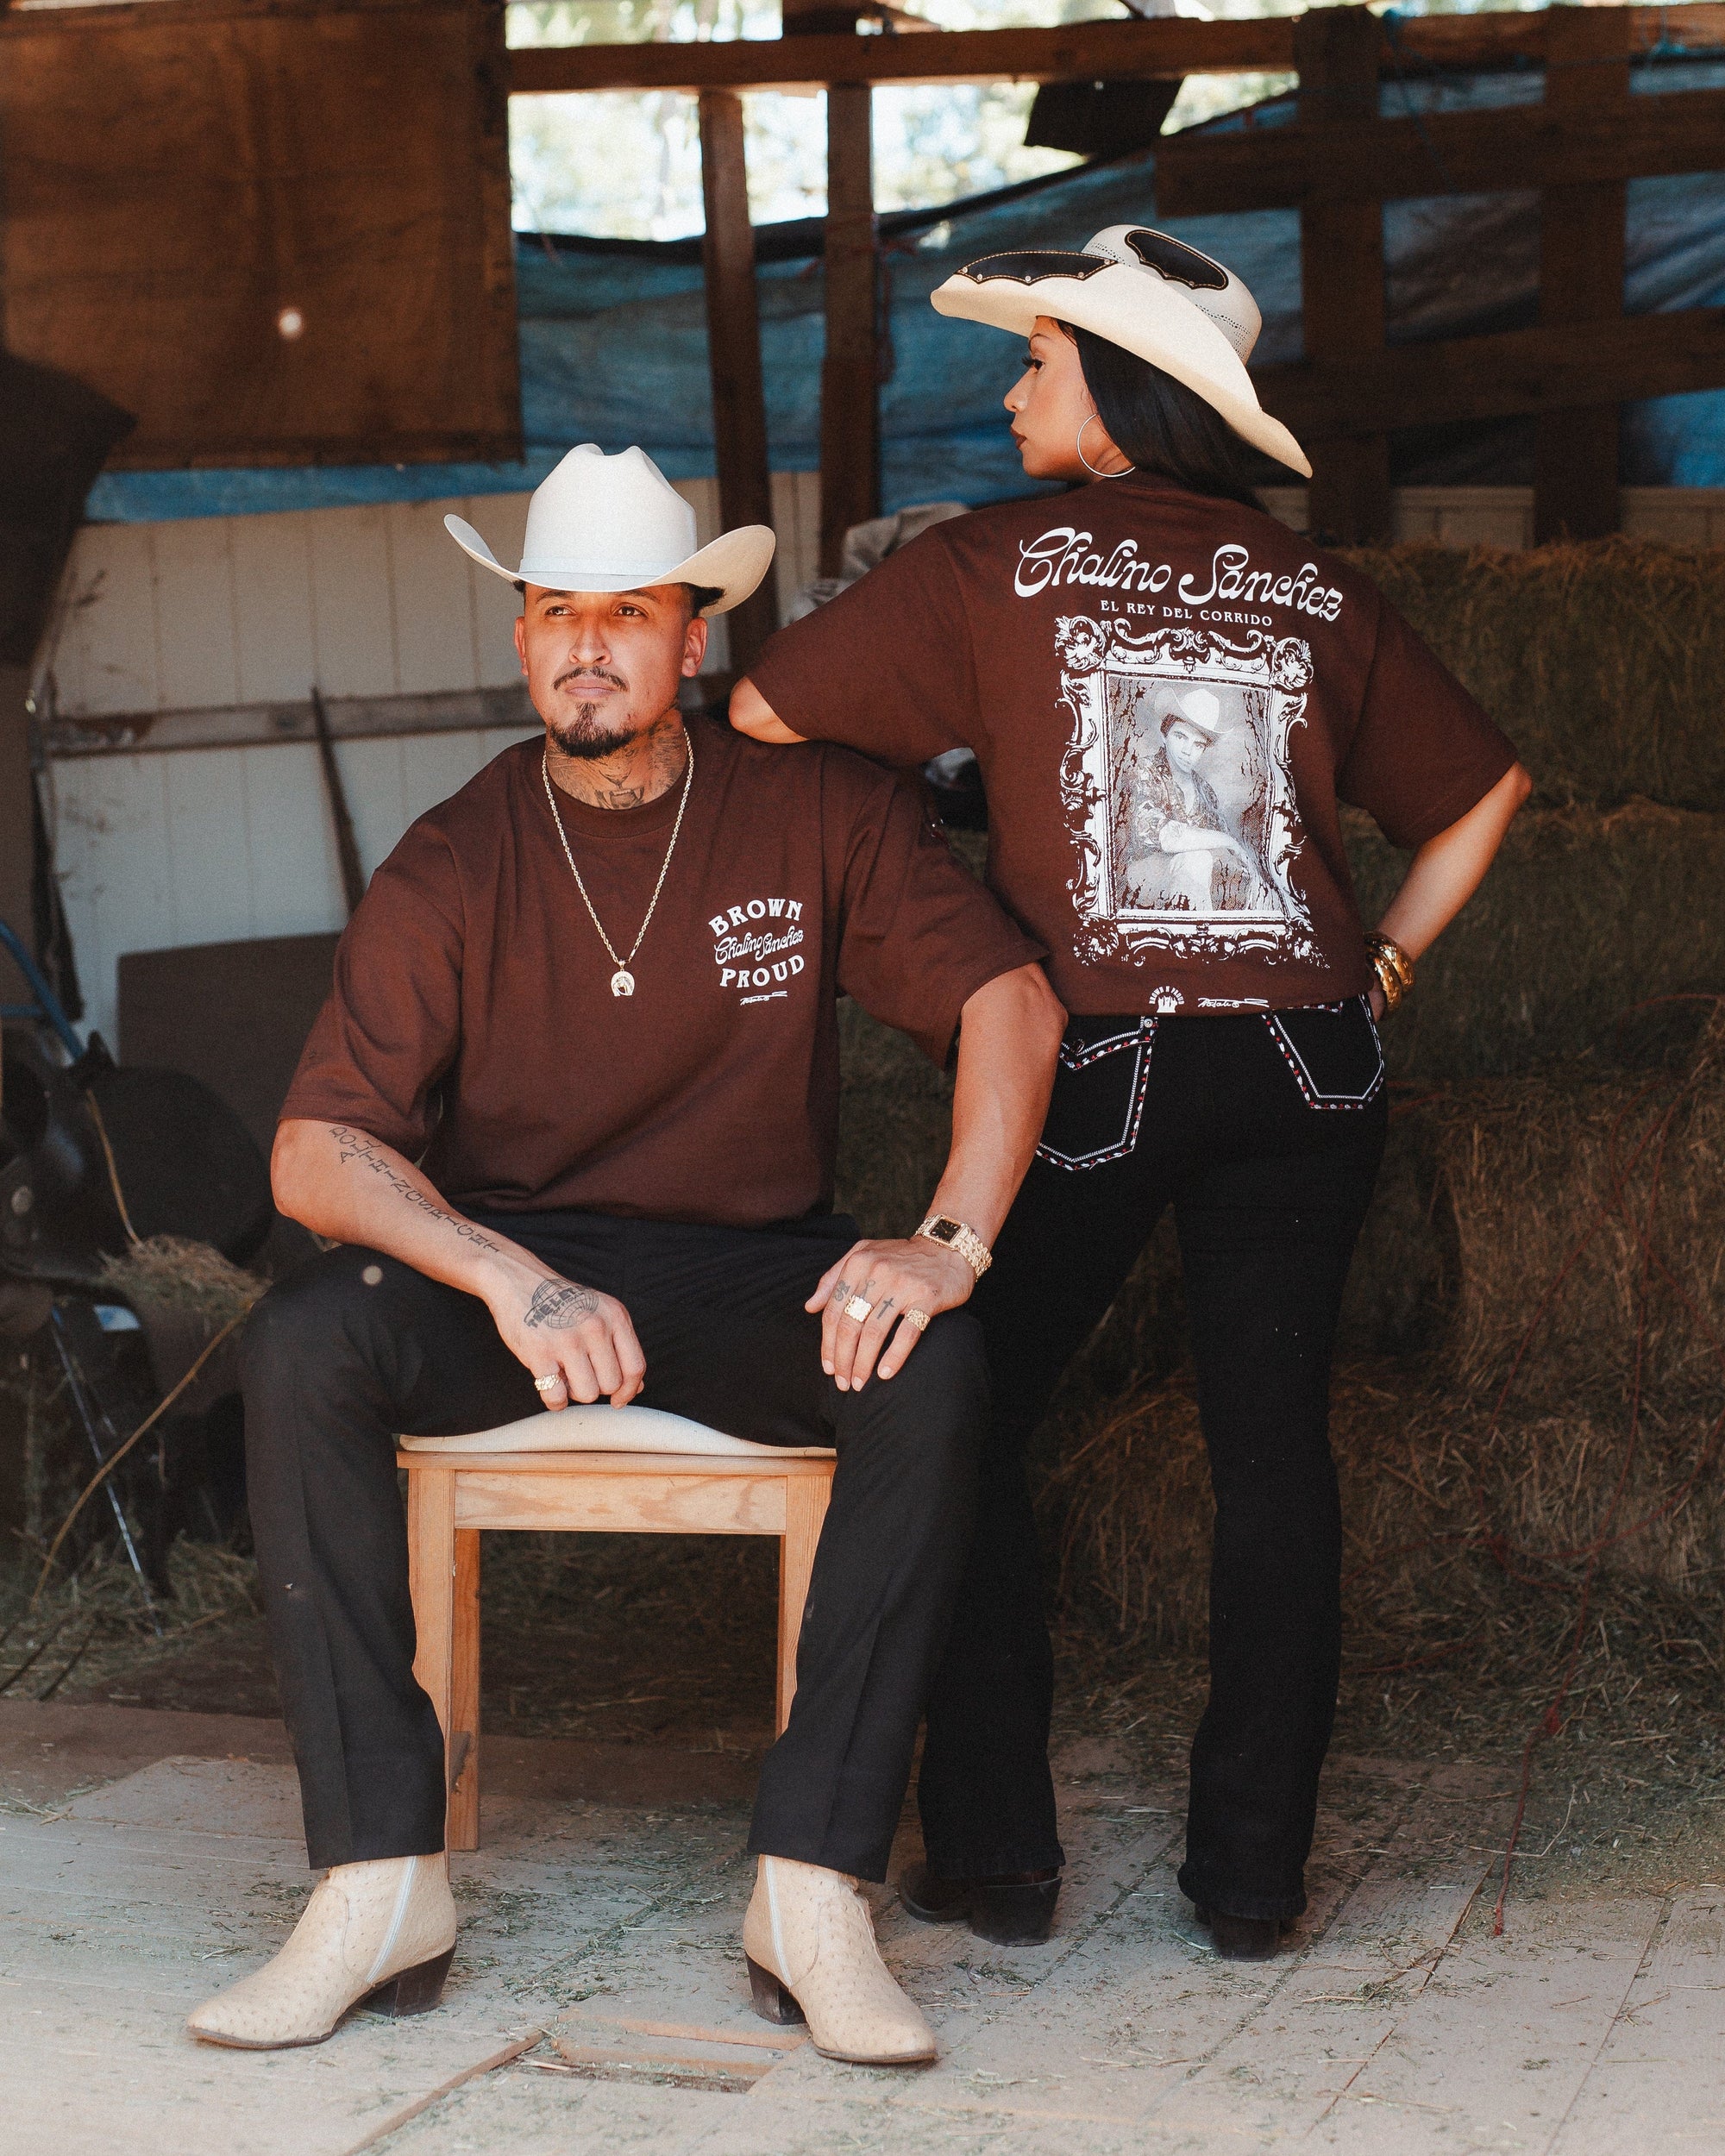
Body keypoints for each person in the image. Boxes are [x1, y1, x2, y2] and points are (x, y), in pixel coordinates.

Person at [185, 443, 1063, 2061]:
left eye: (630, 612)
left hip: (748, 1268)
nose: (588, 646)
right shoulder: (455, 852)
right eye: (557, 612)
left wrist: (948, 1242)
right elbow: (314, 1151)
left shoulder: (816, 806)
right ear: (522, 635)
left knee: (929, 1363)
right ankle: (378, 1882)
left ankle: (812, 1888)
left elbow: (1010, 1000)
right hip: (520, 1279)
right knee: (302, 1338)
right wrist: (503, 1274)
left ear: (693, 637)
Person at [732, 226, 1532, 1959]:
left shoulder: (990, 563)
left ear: (1118, 386)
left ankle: (1000, 1859)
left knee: (954, 1410)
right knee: (1275, 1458)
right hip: (1314, 1059)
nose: (1016, 386)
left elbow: (768, 714)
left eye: (1040, 358)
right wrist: (1384, 965)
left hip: (1101, 1049)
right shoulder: (1313, 584)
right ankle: (1251, 1886)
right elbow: (1487, 790)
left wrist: (955, 818)